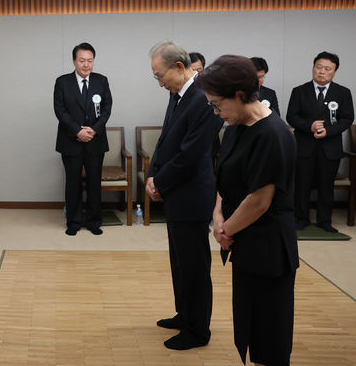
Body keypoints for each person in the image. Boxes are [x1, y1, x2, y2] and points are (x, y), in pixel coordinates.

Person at [195, 55, 299, 366]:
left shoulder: (273, 134)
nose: (216, 112)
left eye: (217, 104)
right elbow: (223, 179)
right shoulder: (235, 127)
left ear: (240, 95)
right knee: (250, 322)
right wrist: (218, 217)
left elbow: (259, 200)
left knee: (270, 333)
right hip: (244, 242)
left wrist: (225, 230)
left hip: (269, 248)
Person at [147, 41, 221, 350]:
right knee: (179, 262)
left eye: (159, 75)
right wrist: (152, 175)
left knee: (194, 266)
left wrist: (160, 183)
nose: (159, 82)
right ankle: (184, 314)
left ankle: (197, 330)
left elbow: (191, 154)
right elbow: (166, 141)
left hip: (191, 195)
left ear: (179, 67)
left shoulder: (202, 98)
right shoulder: (177, 95)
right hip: (175, 191)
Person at [286, 51, 354, 233]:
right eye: (318, 67)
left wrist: (328, 131)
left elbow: (347, 118)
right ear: (313, 67)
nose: (322, 72)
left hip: (330, 148)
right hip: (304, 147)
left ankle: (325, 221)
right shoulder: (299, 91)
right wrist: (310, 126)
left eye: (327, 69)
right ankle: (301, 219)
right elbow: (291, 116)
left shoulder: (343, 93)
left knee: (326, 186)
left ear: (334, 71)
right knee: (302, 185)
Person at [54, 42, 112, 236]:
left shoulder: (101, 81)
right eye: (82, 61)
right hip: (70, 141)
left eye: (90, 60)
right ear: (74, 61)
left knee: (95, 183)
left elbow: (107, 109)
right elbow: (60, 111)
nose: (86, 65)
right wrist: (77, 131)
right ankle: (73, 222)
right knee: (72, 183)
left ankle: (94, 222)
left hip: (95, 141)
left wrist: (93, 130)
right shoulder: (62, 82)